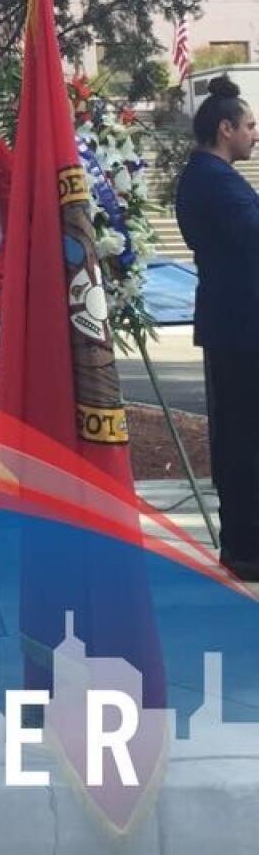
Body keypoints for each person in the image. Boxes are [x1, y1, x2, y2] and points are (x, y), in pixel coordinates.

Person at [175, 74, 259, 578]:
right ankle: (246, 547)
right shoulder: (214, 180)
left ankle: (246, 542)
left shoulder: (211, 176)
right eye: (250, 126)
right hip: (240, 328)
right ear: (225, 128)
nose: (255, 134)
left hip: (238, 323)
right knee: (243, 440)